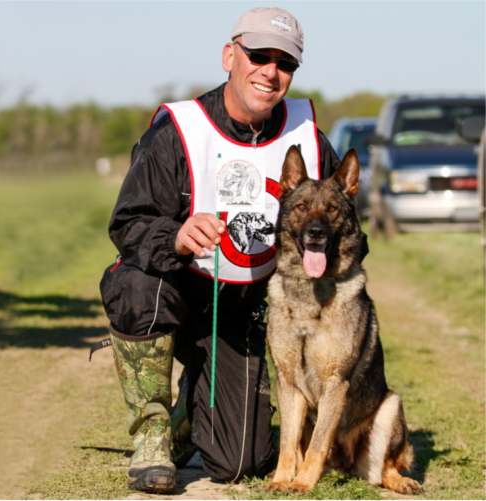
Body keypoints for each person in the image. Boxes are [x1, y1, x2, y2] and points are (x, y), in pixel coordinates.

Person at [98, 7, 360, 493]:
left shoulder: (308, 137)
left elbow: (345, 224)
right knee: (135, 283)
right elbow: (128, 223)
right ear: (229, 56)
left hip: (243, 312)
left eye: (285, 64)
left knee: (239, 461)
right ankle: (152, 431)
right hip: (175, 290)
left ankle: (189, 409)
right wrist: (175, 237)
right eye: (258, 56)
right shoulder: (178, 128)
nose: (270, 72)